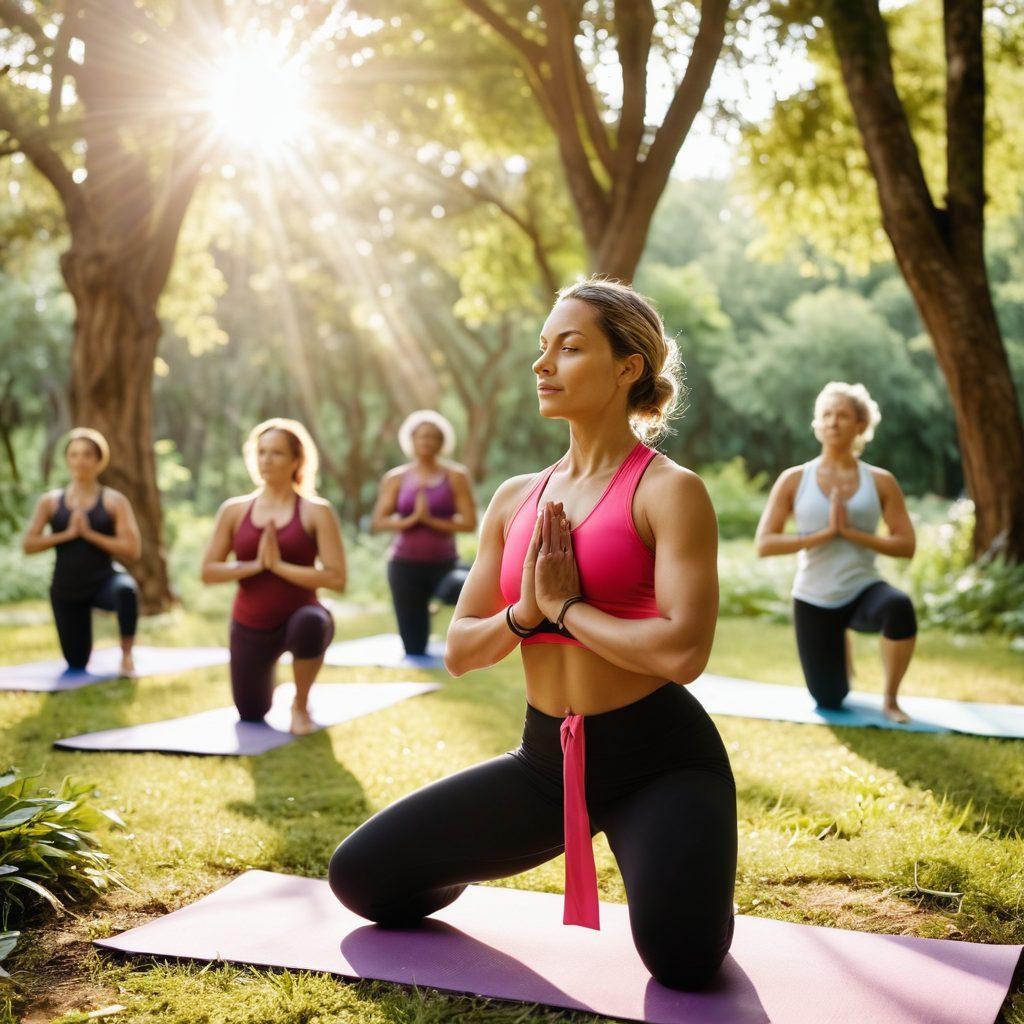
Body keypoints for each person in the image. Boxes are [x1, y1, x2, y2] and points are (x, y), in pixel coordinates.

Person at [329, 279, 736, 991]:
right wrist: (528, 615)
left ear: (627, 367)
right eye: (542, 349)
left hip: (661, 761)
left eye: (569, 348)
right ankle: (459, 858)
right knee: (362, 881)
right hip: (545, 762)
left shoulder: (670, 491)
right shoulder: (516, 497)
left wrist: (567, 609)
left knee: (685, 963)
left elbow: (683, 654)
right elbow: (460, 650)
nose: (542, 365)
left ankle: (671, 853)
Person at [755, 382, 917, 723]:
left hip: (862, 588)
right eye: (826, 415)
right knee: (831, 699)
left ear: (860, 425)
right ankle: (839, 645)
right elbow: (765, 543)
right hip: (814, 596)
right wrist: (824, 535)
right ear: (817, 424)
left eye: (842, 415)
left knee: (898, 607)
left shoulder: (881, 481)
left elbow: (906, 545)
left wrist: (852, 534)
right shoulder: (794, 479)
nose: (833, 422)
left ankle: (891, 700)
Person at [201, 418, 346, 735]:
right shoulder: (234, 510)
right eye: (261, 452)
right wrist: (255, 566)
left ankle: (301, 703)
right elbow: (209, 571)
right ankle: (268, 677)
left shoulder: (315, 511)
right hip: (250, 623)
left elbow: (337, 578)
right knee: (251, 713)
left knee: (311, 622)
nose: (266, 459)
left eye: (277, 453)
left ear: (296, 460)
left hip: (301, 618)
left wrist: (279, 567)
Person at [22, 428, 141, 676]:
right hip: (67, 587)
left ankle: (127, 655)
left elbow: (132, 549)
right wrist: (67, 535)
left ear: (99, 461)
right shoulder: (51, 502)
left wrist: (89, 534)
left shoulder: (113, 501)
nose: (80, 460)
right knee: (76, 663)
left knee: (126, 591)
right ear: (67, 459)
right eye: (74, 454)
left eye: (87, 454)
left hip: (103, 581)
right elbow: (28, 545)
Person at [372, 411, 477, 656]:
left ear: (442, 442)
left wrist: (430, 520)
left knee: (459, 585)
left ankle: (436, 600)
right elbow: (379, 521)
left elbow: (469, 523)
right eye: (421, 437)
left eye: (432, 437)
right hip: (403, 566)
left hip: (444, 564)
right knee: (414, 648)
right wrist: (411, 520)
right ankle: (424, 607)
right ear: (412, 440)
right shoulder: (396, 478)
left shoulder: (456, 476)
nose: (427, 442)